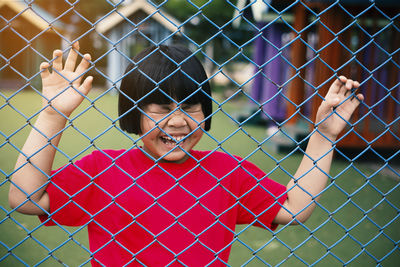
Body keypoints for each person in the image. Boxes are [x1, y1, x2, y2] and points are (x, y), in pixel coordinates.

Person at [9, 42, 363, 266]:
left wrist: (323, 136)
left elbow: (294, 208)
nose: (178, 121)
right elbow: (25, 197)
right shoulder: (104, 168)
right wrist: (52, 115)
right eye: (161, 108)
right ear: (134, 113)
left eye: (191, 106)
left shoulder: (227, 170)